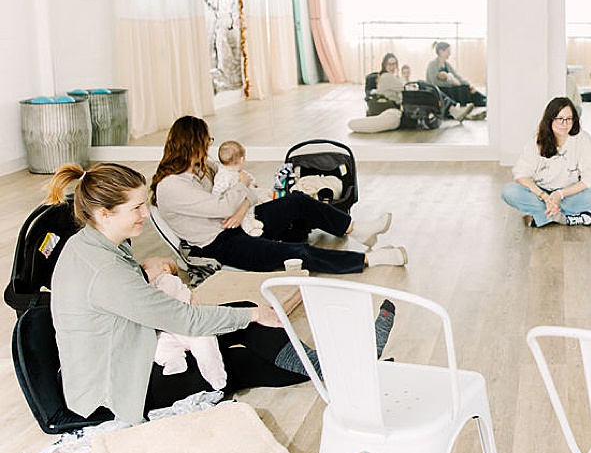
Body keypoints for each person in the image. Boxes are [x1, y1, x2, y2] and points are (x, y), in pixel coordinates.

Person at [47, 162, 395, 426]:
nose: (145, 215)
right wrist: (252, 315)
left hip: (131, 352)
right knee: (238, 356)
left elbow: (120, 297)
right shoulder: (103, 268)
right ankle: (350, 368)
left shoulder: (93, 243)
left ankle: (344, 367)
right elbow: (180, 317)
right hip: (117, 390)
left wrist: (246, 314)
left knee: (242, 315)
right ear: (104, 213)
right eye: (136, 208)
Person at [153, 116, 406, 273]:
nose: (210, 146)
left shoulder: (204, 167)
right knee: (296, 253)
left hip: (242, 220)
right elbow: (222, 206)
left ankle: (355, 228)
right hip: (218, 244)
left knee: (297, 201)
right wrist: (239, 197)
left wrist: (241, 207)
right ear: (193, 144)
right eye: (207, 141)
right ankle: (370, 260)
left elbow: (246, 187)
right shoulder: (171, 187)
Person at [502, 97, 591, 227]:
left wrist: (560, 194)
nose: (564, 124)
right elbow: (521, 174)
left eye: (569, 119)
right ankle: (566, 217)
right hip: (541, 194)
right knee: (509, 191)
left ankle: (541, 215)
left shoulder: (582, 139)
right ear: (550, 119)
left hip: (569, 193)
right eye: (559, 119)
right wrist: (544, 196)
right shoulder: (537, 142)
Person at [142, 256, 228, 391]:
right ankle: (174, 360)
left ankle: (215, 374)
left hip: (189, 324)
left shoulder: (166, 279)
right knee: (159, 345)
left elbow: (162, 299)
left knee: (205, 345)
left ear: (164, 269)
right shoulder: (148, 286)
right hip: (169, 330)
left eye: (144, 268)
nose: (140, 271)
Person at [212, 140, 263, 236]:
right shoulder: (223, 176)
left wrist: (253, 181)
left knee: (250, 206)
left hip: (241, 197)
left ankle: (252, 220)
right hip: (232, 203)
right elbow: (217, 191)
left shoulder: (237, 170)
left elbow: (247, 175)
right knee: (243, 215)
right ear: (241, 159)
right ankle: (249, 230)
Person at [426, 41, 487, 115]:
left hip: (447, 88)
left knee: (465, 87)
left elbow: (457, 76)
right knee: (460, 89)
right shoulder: (432, 65)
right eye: (448, 51)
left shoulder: (447, 65)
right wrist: (452, 83)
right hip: (439, 91)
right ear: (441, 52)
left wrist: (469, 85)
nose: (450, 53)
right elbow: (434, 83)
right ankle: (465, 109)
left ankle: (485, 100)